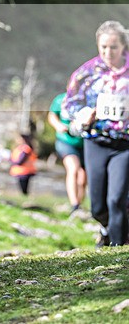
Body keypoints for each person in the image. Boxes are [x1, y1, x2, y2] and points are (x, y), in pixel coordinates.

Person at [64, 20, 129, 247]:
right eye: (103, 47)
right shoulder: (87, 73)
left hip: (125, 144)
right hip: (96, 141)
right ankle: (106, 228)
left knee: (117, 199)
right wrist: (84, 115)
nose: (107, 53)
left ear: (123, 46)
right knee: (98, 205)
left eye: (113, 47)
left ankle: (119, 250)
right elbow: (69, 104)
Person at [47, 92, 87, 214]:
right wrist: (58, 126)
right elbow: (52, 115)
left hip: (85, 142)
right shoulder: (61, 99)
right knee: (73, 168)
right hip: (65, 141)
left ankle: (78, 205)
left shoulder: (88, 98)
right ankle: (74, 204)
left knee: (83, 177)